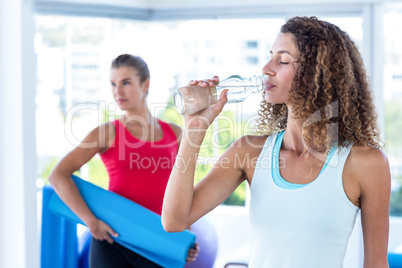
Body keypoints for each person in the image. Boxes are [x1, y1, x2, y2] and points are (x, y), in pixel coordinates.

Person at [162, 16, 391, 268]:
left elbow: (377, 264)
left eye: (282, 60)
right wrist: (194, 130)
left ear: (316, 72)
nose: (266, 68)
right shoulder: (250, 151)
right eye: (270, 56)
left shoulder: (365, 163)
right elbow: (174, 221)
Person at [49, 54, 199, 268]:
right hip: (112, 240)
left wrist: (187, 234)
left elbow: (183, 191)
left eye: (126, 82)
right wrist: (91, 222)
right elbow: (58, 175)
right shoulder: (107, 133)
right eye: (113, 84)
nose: (117, 91)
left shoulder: (175, 134)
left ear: (145, 84)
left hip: (159, 241)